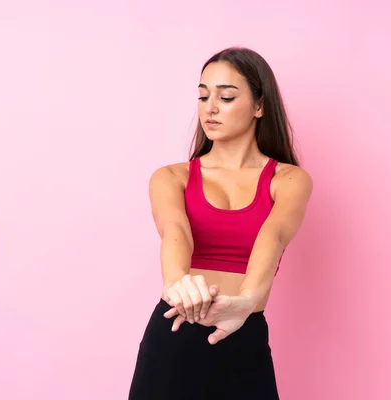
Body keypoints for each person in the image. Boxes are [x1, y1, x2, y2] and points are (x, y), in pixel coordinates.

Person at [128, 46, 313, 399]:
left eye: (226, 97)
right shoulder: (171, 177)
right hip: (175, 332)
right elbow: (174, 232)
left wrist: (246, 302)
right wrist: (178, 285)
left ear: (259, 106)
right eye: (202, 95)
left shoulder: (289, 180)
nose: (209, 108)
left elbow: (271, 238)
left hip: (243, 331)